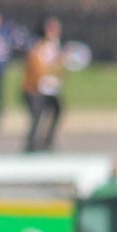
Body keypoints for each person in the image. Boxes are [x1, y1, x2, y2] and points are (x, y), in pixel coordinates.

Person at [22, 18, 67, 152]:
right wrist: (43, 79)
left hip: (50, 89)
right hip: (35, 89)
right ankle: (31, 144)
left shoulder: (56, 48)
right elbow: (36, 67)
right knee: (36, 116)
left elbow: (58, 68)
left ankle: (48, 140)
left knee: (57, 110)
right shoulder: (38, 47)